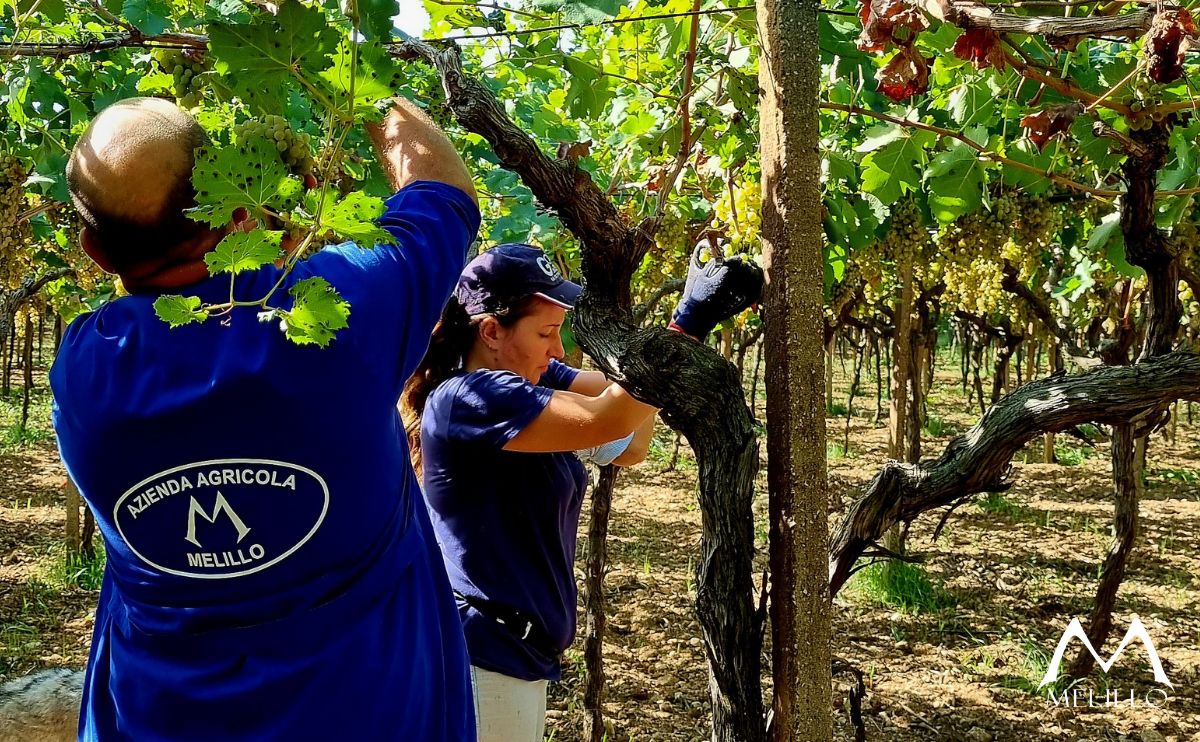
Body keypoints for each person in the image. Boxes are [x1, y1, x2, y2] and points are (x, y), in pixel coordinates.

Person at [50, 96, 480, 740]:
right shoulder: (337, 316)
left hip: (161, 718)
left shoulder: (83, 374)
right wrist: (359, 80)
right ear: (234, 202)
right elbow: (442, 193)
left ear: (94, 252)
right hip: (367, 714)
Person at [400, 242, 763, 741]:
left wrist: (680, 337)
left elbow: (630, 440)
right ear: (491, 332)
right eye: (546, 332)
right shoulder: (471, 398)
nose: (557, 349)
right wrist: (686, 323)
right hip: (483, 661)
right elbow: (607, 415)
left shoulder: (530, 377)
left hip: (514, 657)